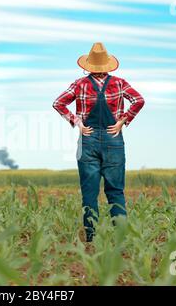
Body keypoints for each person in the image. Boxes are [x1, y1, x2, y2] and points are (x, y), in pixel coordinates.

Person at [52, 42, 145, 242]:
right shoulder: (120, 83)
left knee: (89, 192)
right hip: (114, 139)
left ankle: (91, 238)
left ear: (89, 65)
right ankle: (120, 238)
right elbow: (139, 100)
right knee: (115, 191)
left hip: (88, 139)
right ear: (107, 65)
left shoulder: (79, 84)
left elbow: (57, 103)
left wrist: (77, 122)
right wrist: (123, 121)